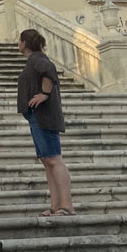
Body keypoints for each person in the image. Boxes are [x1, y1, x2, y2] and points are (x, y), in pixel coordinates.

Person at [17, 28, 74, 216]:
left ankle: (66, 205)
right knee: (46, 160)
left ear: (24, 42)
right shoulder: (34, 60)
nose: (18, 44)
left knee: (54, 159)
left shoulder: (38, 59)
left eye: (19, 41)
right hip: (37, 117)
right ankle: (56, 205)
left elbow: (49, 72)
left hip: (44, 116)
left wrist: (44, 94)